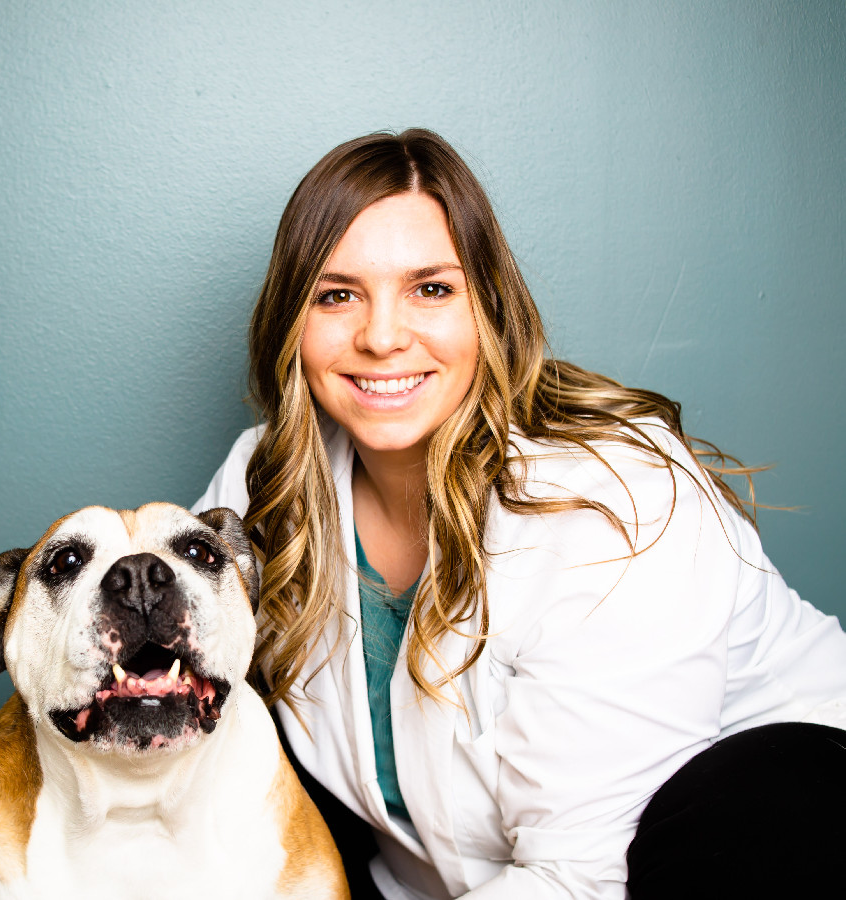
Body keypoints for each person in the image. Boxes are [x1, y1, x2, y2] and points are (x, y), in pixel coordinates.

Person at [192, 128, 846, 900]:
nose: (380, 336)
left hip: (763, 844)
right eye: (336, 295)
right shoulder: (265, 479)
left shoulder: (611, 498)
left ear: (488, 308)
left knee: (761, 804)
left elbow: (584, 876)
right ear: (291, 325)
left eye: (430, 289)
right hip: (472, 881)